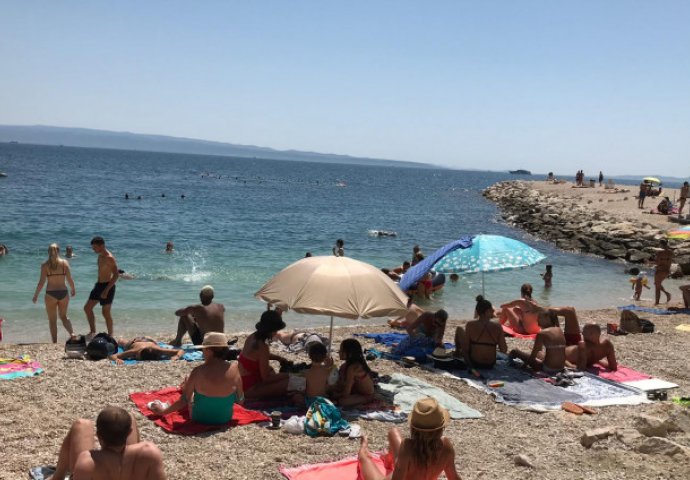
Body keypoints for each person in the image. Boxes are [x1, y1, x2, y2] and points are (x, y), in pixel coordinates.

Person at [47, 406, 166, 480]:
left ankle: (57, 477)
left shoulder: (88, 461)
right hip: (132, 468)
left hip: (93, 469)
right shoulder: (150, 452)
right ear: (129, 433)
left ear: (98, 436)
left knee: (82, 424)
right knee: (128, 417)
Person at [357, 397, 461, 480]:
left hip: (403, 470)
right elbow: (454, 477)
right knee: (393, 432)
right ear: (440, 428)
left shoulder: (407, 447)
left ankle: (363, 448)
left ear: (413, 428)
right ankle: (388, 458)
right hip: (408, 467)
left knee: (363, 458)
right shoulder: (446, 445)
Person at [151, 332, 243, 425]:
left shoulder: (198, 371)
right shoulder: (235, 369)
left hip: (200, 418)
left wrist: (163, 411)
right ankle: (187, 387)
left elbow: (184, 401)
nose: (202, 351)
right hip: (225, 418)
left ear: (208, 350)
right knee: (192, 383)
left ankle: (186, 387)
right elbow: (240, 399)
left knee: (189, 384)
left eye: (203, 349)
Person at [237, 310, 291, 399]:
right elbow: (266, 379)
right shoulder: (262, 346)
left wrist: (278, 358)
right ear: (271, 330)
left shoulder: (252, 337)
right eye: (276, 330)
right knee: (292, 382)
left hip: (242, 383)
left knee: (271, 369)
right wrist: (289, 375)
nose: (276, 332)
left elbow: (258, 356)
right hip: (249, 389)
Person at [32, 243, 77, 343]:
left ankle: (55, 342)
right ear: (59, 251)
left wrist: (36, 295)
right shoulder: (65, 263)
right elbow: (70, 279)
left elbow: (41, 283)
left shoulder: (45, 265)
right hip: (63, 293)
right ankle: (72, 333)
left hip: (50, 294)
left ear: (48, 252)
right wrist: (73, 289)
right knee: (64, 317)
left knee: (52, 320)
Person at [454, 296, 507, 369]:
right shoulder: (498, 326)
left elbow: (466, 349)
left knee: (459, 329)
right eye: (491, 309)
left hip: (475, 362)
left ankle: (457, 353)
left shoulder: (470, 324)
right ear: (486, 311)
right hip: (490, 364)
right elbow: (504, 349)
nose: (493, 311)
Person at [84, 236, 119, 336]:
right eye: (93, 248)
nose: (93, 250)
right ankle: (92, 332)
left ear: (102, 245)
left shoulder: (109, 258)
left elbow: (116, 275)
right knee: (87, 308)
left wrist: (106, 290)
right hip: (98, 285)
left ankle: (110, 335)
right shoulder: (100, 256)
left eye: (95, 247)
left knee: (105, 312)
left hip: (107, 286)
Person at [332, 338, 375, 408]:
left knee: (343, 401)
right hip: (356, 391)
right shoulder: (346, 366)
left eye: (342, 350)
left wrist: (335, 395)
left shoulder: (353, 368)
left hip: (366, 395)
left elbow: (346, 393)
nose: (339, 352)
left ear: (350, 353)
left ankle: (366, 400)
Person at [293, 342, 335, 407]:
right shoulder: (327, 371)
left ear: (309, 356)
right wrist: (331, 366)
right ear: (325, 357)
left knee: (296, 396)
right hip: (322, 400)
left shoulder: (305, 373)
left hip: (310, 401)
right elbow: (331, 384)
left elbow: (302, 389)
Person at [109, 337, 183, 364]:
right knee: (121, 342)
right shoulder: (135, 350)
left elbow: (180, 351)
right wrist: (117, 359)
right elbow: (111, 356)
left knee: (122, 342)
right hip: (135, 342)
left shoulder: (158, 350)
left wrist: (177, 356)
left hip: (149, 340)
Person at [653, 239, 673, 305]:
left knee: (657, 287)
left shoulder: (660, 252)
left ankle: (657, 303)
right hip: (667, 271)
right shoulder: (670, 252)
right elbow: (669, 262)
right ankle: (667, 294)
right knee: (657, 284)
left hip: (660, 271)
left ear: (661, 244)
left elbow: (657, 263)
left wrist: (650, 262)